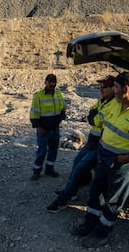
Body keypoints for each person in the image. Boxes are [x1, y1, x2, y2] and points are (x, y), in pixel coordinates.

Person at [71, 71, 129, 248]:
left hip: (123, 164)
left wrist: (120, 159)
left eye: (116, 87)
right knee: (95, 192)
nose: (113, 89)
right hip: (103, 156)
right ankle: (90, 223)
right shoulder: (115, 103)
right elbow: (99, 121)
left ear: (126, 89)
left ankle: (101, 233)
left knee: (113, 200)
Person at [47, 75, 115, 212]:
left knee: (80, 169)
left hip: (100, 144)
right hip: (92, 141)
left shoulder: (114, 105)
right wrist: (93, 117)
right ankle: (72, 191)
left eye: (104, 87)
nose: (101, 89)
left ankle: (64, 199)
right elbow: (91, 117)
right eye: (100, 86)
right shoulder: (103, 101)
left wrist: (93, 117)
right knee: (77, 163)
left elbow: (95, 120)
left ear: (113, 89)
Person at [30, 73, 67, 180]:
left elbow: (63, 108)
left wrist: (61, 118)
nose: (52, 84)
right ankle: (36, 171)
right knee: (42, 151)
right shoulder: (38, 96)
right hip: (43, 129)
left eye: (54, 82)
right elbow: (34, 113)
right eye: (50, 81)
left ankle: (49, 169)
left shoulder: (59, 94)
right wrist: (38, 128)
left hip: (55, 128)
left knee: (53, 149)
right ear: (45, 82)